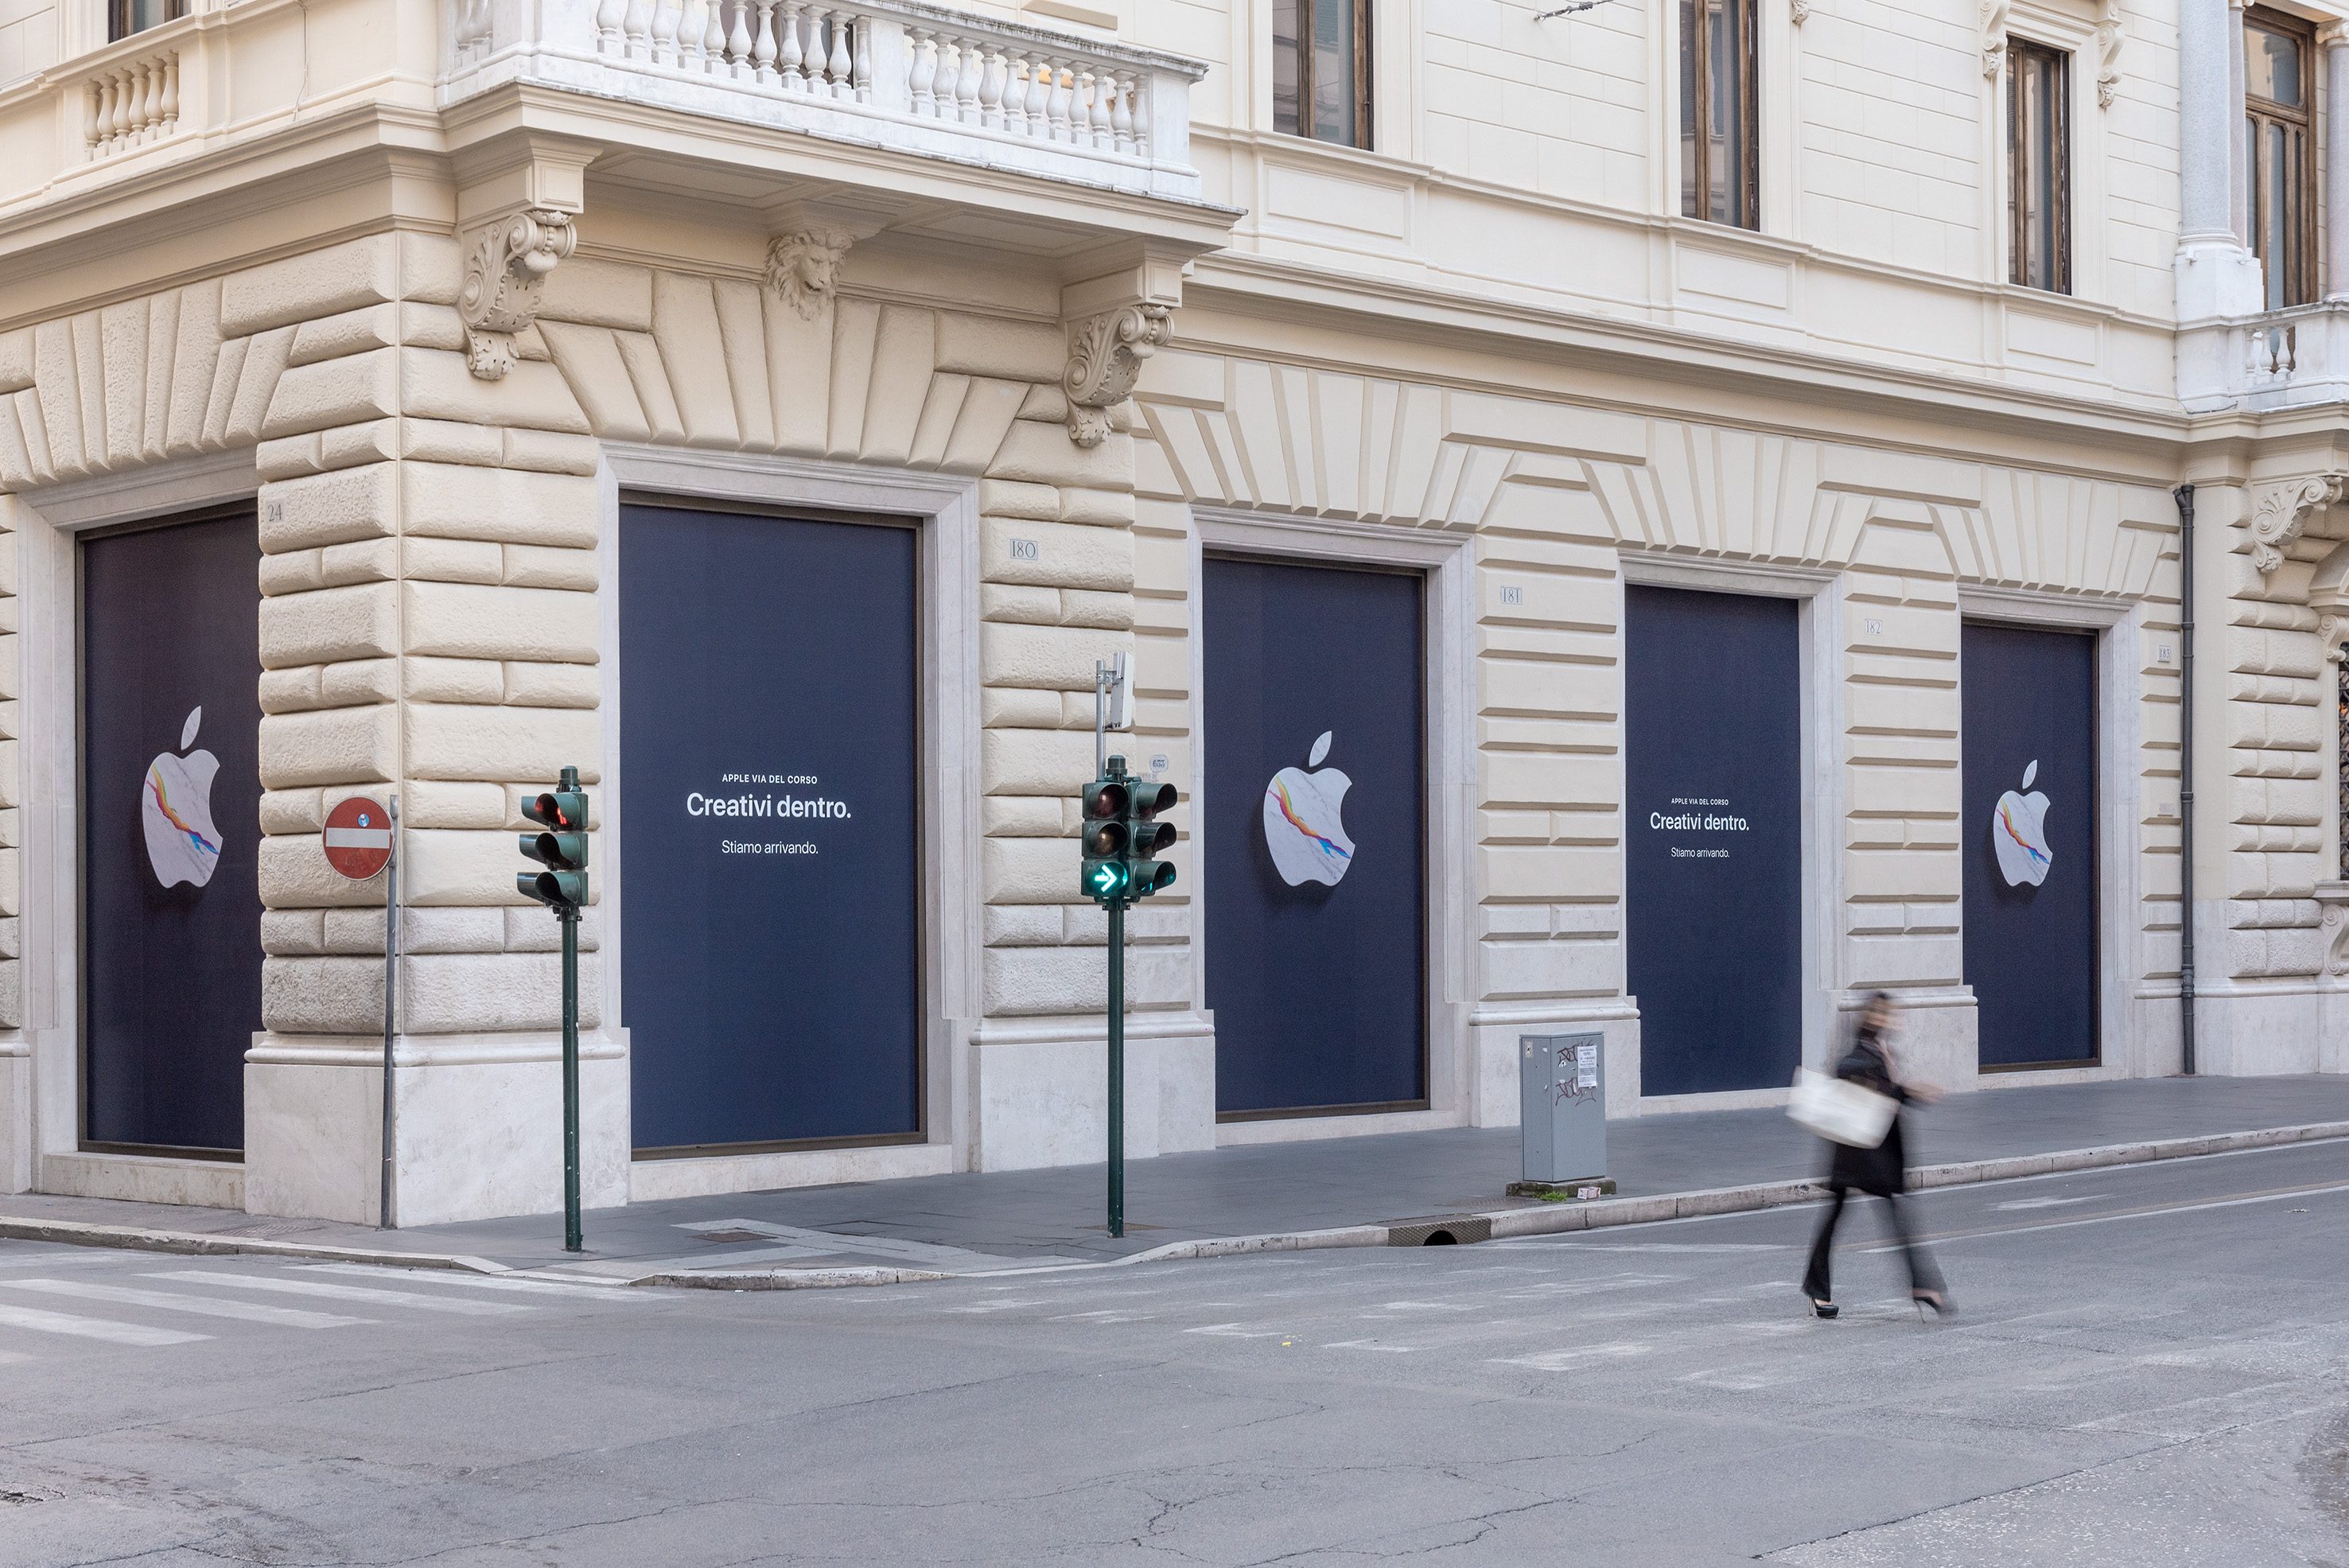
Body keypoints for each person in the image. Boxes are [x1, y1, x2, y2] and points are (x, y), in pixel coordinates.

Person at [1800, 991, 1950, 1320]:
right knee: (1891, 1217)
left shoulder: (1879, 1047)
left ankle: (1818, 1289)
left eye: (1893, 1015)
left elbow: (1884, 1091)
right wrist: (1908, 1091)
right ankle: (1922, 1286)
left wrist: (1908, 1093)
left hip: (1862, 1151)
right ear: (1874, 1017)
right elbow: (1852, 1073)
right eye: (1887, 1015)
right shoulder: (1862, 1049)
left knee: (1838, 1219)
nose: (1893, 1021)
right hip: (1860, 1154)